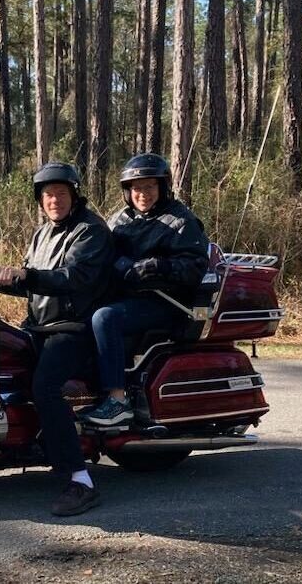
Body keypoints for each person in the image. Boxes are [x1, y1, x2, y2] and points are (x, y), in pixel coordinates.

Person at [0, 162, 113, 516]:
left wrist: (25, 275)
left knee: (45, 387)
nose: (53, 200)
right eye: (47, 195)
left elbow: (70, 277)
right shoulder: (42, 234)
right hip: (41, 325)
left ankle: (81, 480)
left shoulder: (91, 231)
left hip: (74, 328)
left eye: (60, 193)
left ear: (74, 195)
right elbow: (34, 284)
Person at [81, 153, 209, 427]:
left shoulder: (180, 221)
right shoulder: (121, 220)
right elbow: (103, 252)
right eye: (137, 188)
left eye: (150, 187)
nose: (143, 194)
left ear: (162, 187)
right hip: (128, 297)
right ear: (127, 192)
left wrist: (161, 267)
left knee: (105, 318)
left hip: (165, 303)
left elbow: (196, 265)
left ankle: (117, 401)